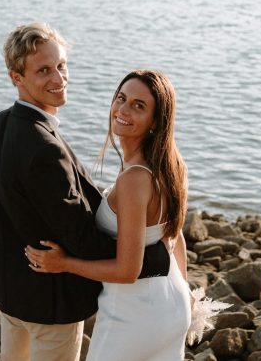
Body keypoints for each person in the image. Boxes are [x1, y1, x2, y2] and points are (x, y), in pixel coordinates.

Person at [0, 23, 170, 361]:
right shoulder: (44, 149)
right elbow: (82, 239)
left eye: (61, 65)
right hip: (51, 306)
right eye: (44, 71)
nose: (59, 78)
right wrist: (153, 255)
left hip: (9, 295)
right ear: (16, 78)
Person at [26, 70, 191, 361]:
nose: (123, 110)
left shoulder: (135, 180)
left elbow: (127, 271)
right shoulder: (171, 165)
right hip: (173, 302)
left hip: (135, 314)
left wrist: (64, 263)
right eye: (121, 98)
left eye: (139, 106)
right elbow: (175, 239)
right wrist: (186, 290)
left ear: (156, 121)